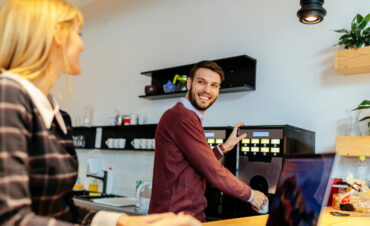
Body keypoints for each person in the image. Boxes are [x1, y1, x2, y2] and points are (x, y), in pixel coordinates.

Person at [0, 1, 200, 226]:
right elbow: (11, 219)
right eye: (78, 34)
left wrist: (124, 221)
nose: (82, 45)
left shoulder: (58, 117)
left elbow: (63, 212)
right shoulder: (8, 95)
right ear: (55, 36)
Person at [149, 60, 268, 221]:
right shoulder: (182, 117)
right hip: (176, 220)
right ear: (189, 83)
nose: (207, 90)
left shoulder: (185, 116)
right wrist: (251, 195)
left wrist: (223, 148)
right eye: (201, 82)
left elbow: (195, 164)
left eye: (214, 85)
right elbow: (212, 170)